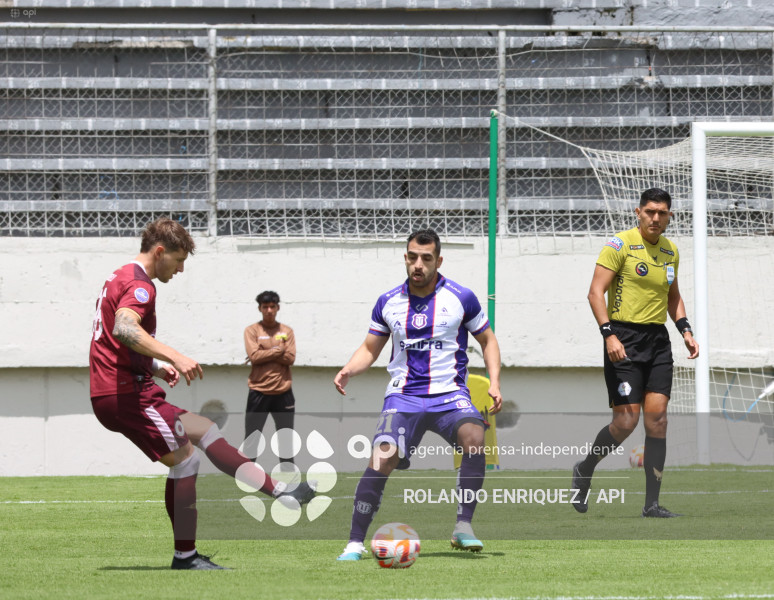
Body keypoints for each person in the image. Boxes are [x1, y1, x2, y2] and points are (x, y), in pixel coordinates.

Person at [88, 218, 315, 570]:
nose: (180, 270)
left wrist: (154, 368)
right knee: (187, 459)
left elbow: (110, 341)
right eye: (178, 261)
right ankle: (186, 557)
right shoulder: (141, 286)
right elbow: (123, 328)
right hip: (124, 393)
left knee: (205, 430)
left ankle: (281, 493)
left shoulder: (118, 275)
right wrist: (173, 355)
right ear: (160, 251)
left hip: (129, 385)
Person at [333, 228, 503, 560]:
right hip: (403, 396)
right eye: (412, 257)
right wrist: (348, 369)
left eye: (426, 258)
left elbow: (488, 341)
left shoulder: (461, 297)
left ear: (438, 260)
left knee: (475, 435)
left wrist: (494, 381)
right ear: (406, 258)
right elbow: (370, 348)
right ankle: (354, 542)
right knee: (382, 456)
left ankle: (463, 527)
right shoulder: (388, 301)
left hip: (449, 395)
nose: (418, 265)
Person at [571, 188, 699, 518]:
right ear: (638, 212)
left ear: (670, 216)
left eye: (662, 213)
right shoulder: (620, 244)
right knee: (627, 421)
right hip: (622, 338)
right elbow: (594, 292)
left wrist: (685, 329)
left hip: (657, 342)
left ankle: (652, 504)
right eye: (650, 212)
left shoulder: (671, 252)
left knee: (657, 421)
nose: (656, 218)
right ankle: (585, 468)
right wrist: (608, 335)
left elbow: (673, 297)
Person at [243, 291, 297, 465]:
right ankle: (247, 478)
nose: (269, 310)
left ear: (278, 308)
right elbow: (254, 357)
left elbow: (291, 358)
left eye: (272, 306)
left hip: (283, 392)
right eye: (265, 307)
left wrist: (264, 351)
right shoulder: (252, 330)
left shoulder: (286, 331)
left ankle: (289, 478)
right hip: (258, 391)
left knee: (286, 439)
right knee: (252, 438)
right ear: (259, 308)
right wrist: (278, 350)